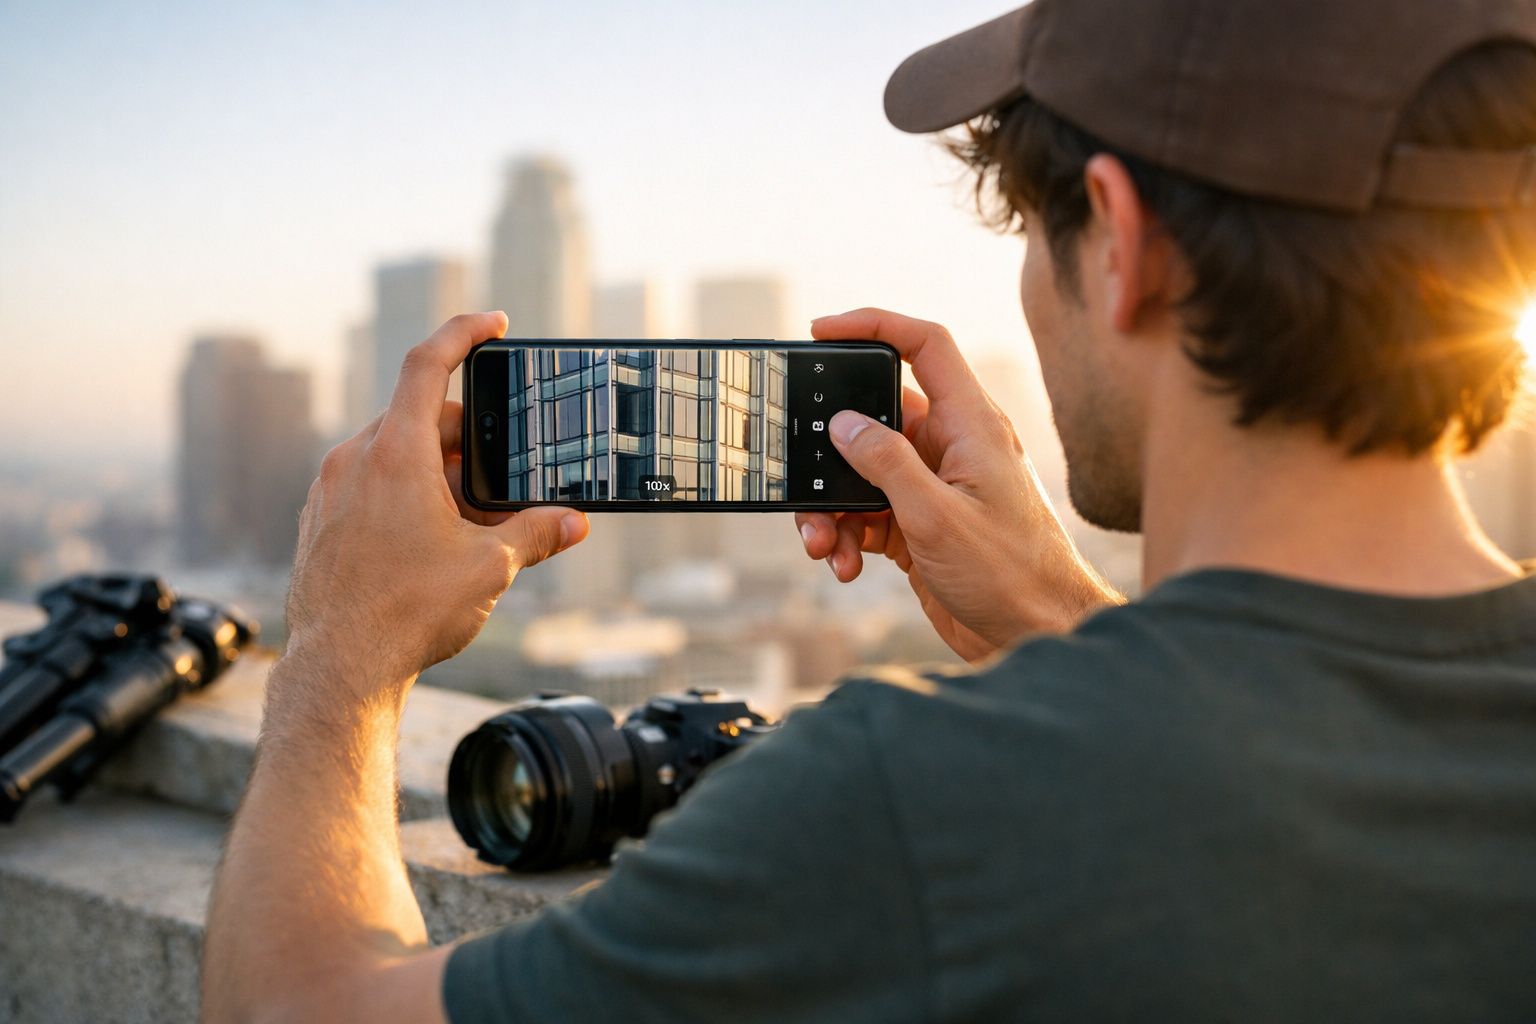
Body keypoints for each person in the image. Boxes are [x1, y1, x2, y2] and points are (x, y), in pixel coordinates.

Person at [203, 0, 1536, 1020]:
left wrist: (338, 651)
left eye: (1031, 227)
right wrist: (1067, 622)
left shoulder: (907, 807)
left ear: (1120, 246)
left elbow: (290, 1007)